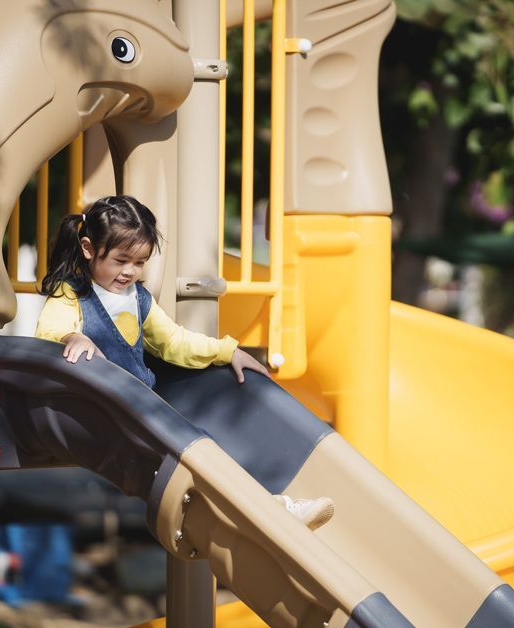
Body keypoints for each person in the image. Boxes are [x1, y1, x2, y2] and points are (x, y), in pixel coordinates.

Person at [35, 195, 334, 530]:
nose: (130, 271)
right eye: (121, 260)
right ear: (89, 249)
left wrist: (226, 351)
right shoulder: (71, 294)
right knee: (193, 448)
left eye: (140, 262)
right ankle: (271, 507)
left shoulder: (139, 299)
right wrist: (71, 337)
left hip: (142, 407)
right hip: (103, 416)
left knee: (204, 442)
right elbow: (48, 330)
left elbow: (174, 343)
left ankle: (271, 506)